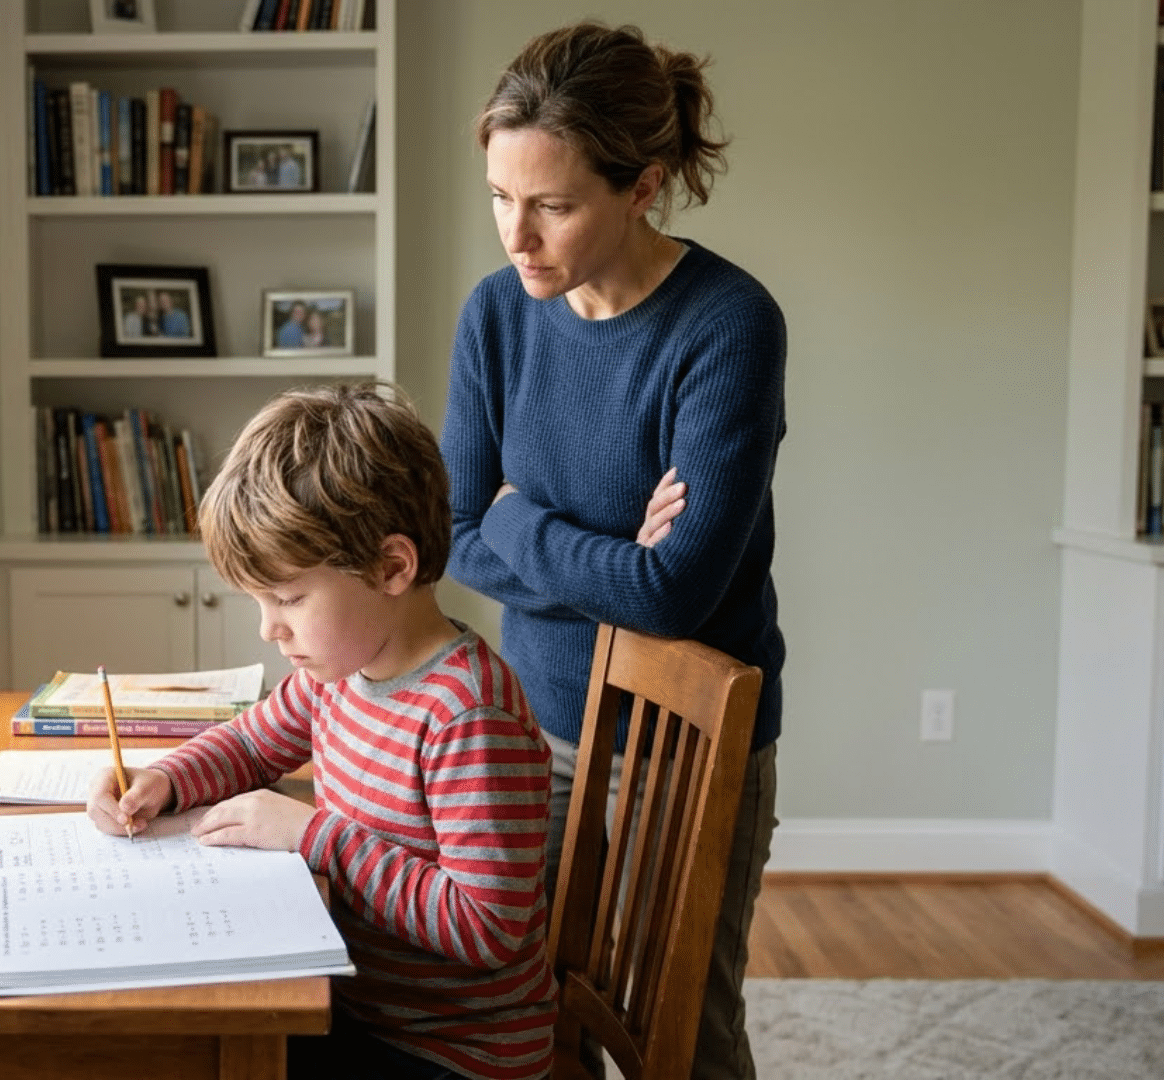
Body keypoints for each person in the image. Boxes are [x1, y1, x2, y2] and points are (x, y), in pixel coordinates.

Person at [441, 19, 786, 1080]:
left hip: (682, 746)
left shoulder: (727, 324)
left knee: (678, 1040)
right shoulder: (497, 316)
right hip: (537, 724)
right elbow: (453, 536)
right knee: (531, 1015)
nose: (517, 235)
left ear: (641, 187)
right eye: (502, 196)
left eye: (553, 204)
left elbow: (674, 593)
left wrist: (520, 520)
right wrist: (604, 563)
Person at [90, 382, 557, 1080]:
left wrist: (314, 837)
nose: (268, 628)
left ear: (392, 567)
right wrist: (164, 778)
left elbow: (485, 929)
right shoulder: (337, 673)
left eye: (289, 598)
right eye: (260, 600)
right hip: (361, 1006)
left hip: (454, 1054)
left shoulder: (468, 716)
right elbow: (250, 744)